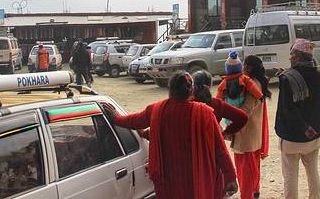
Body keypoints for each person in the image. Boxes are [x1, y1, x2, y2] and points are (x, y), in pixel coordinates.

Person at [102, 71, 238, 199]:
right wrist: (230, 177)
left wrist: (116, 117)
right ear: (191, 90)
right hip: (196, 179)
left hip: (169, 181)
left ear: (170, 89)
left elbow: (133, 121)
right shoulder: (204, 113)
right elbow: (219, 149)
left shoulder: (156, 110)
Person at [275, 39, 320, 199]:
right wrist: (309, 128)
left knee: (290, 177)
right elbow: (318, 105)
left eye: (292, 54)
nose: (289, 57)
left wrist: (303, 127)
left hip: (291, 138)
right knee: (313, 173)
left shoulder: (287, 79)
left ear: (298, 56)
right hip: (314, 136)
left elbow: (288, 110)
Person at [192, 70, 248, 198]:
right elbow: (242, 117)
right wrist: (225, 132)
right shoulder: (216, 104)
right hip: (213, 151)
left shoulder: (187, 104)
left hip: (191, 152)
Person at [230, 55, 271, 199]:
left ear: (248, 67)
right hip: (253, 133)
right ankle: (254, 193)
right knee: (252, 169)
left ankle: (249, 195)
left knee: (245, 172)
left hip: (246, 134)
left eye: (245, 64)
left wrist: (229, 118)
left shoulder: (251, 84)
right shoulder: (257, 82)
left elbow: (245, 110)